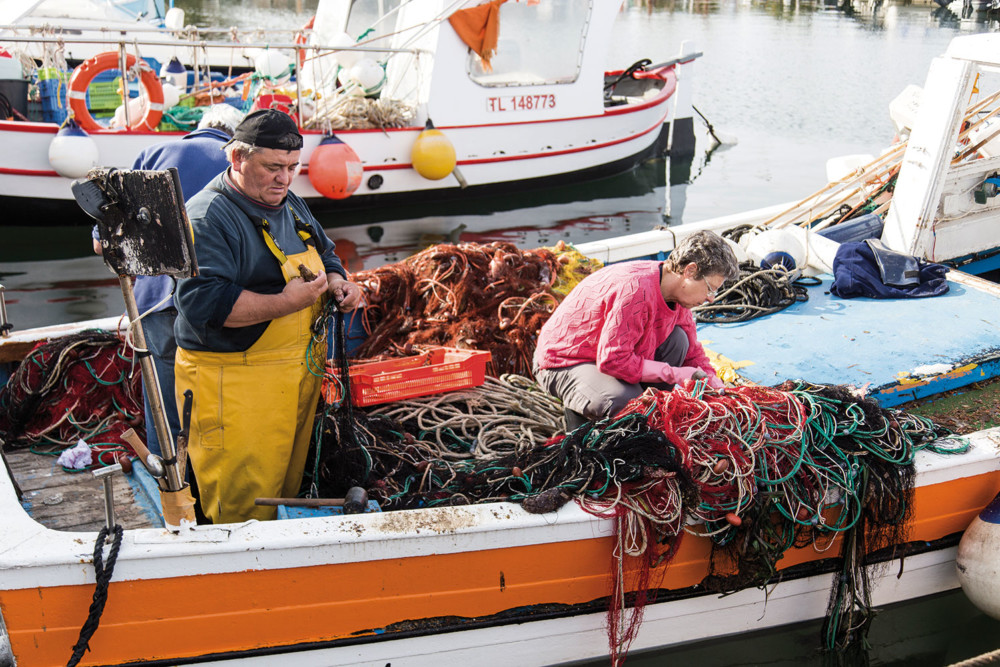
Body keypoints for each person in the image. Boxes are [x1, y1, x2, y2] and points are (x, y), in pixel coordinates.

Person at [173, 108, 362, 524]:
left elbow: (327, 252)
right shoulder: (207, 217)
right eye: (273, 167)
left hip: (294, 375)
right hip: (234, 385)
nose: (284, 178)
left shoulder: (289, 202)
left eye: (293, 168)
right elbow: (206, 306)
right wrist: (286, 302)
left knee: (283, 489)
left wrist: (338, 283)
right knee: (239, 505)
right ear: (237, 159)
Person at [91, 103, 245, 458]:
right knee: (215, 394)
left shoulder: (152, 152)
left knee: (161, 392)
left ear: (199, 125)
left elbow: (104, 240)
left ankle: (168, 471)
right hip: (213, 299)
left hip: (152, 302)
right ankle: (212, 474)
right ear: (235, 137)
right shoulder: (235, 160)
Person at [533, 230, 739, 429]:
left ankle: (644, 410)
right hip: (563, 361)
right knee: (623, 402)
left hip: (607, 355)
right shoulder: (635, 291)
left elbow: (693, 353)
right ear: (690, 271)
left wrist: (716, 385)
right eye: (710, 288)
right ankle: (584, 416)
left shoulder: (677, 294)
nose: (711, 298)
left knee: (679, 341)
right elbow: (614, 360)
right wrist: (674, 374)